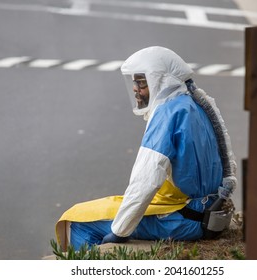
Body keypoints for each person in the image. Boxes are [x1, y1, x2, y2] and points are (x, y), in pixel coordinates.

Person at [55, 46, 237, 251]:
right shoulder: (194, 104)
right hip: (207, 212)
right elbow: (229, 162)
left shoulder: (167, 114)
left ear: (160, 80)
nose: (135, 89)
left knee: (78, 221)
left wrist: (119, 232)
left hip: (185, 218)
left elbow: (145, 182)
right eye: (134, 82)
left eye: (141, 82)